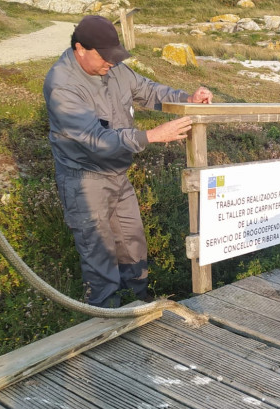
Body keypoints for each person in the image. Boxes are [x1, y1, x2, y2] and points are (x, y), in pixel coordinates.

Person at [43, 15, 213, 307]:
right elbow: (96, 139)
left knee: (132, 244)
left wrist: (188, 98)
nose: (111, 63)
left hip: (117, 174)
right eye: (105, 56)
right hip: (84, 180)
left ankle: (137, 305)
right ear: (80, 48)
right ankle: (106, 320)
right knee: (98, 256)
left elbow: (148, 91)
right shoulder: (62, 85)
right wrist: (151, 136)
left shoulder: (114, 68)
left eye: (115, 56)